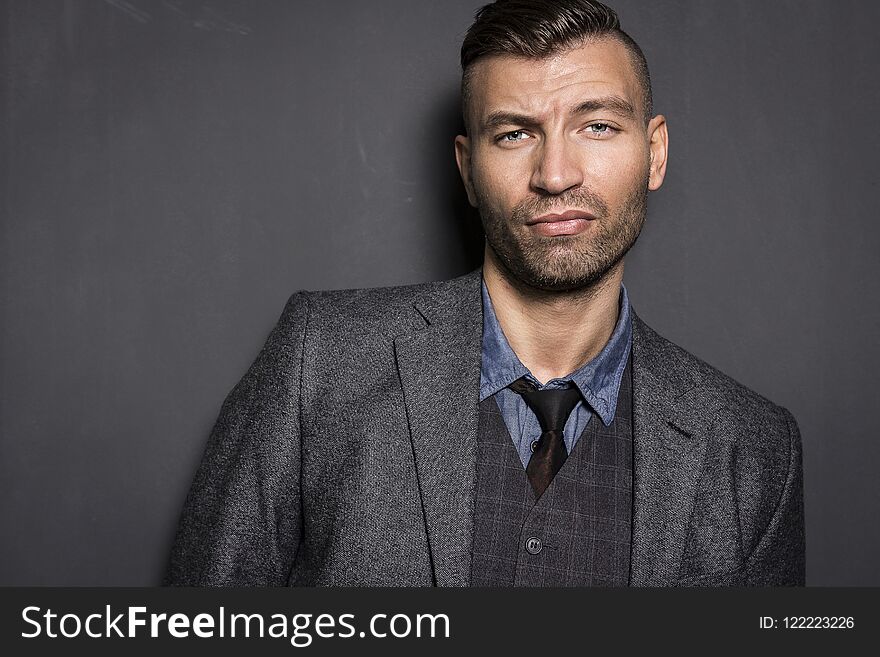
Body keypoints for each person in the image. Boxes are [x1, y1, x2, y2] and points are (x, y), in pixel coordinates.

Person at [166, 0, 805, 587]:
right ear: (468, 169)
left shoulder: (750, 449)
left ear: (655, 153)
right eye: (514, 134)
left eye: (599, 126)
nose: (555, 175)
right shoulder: (321, 362)